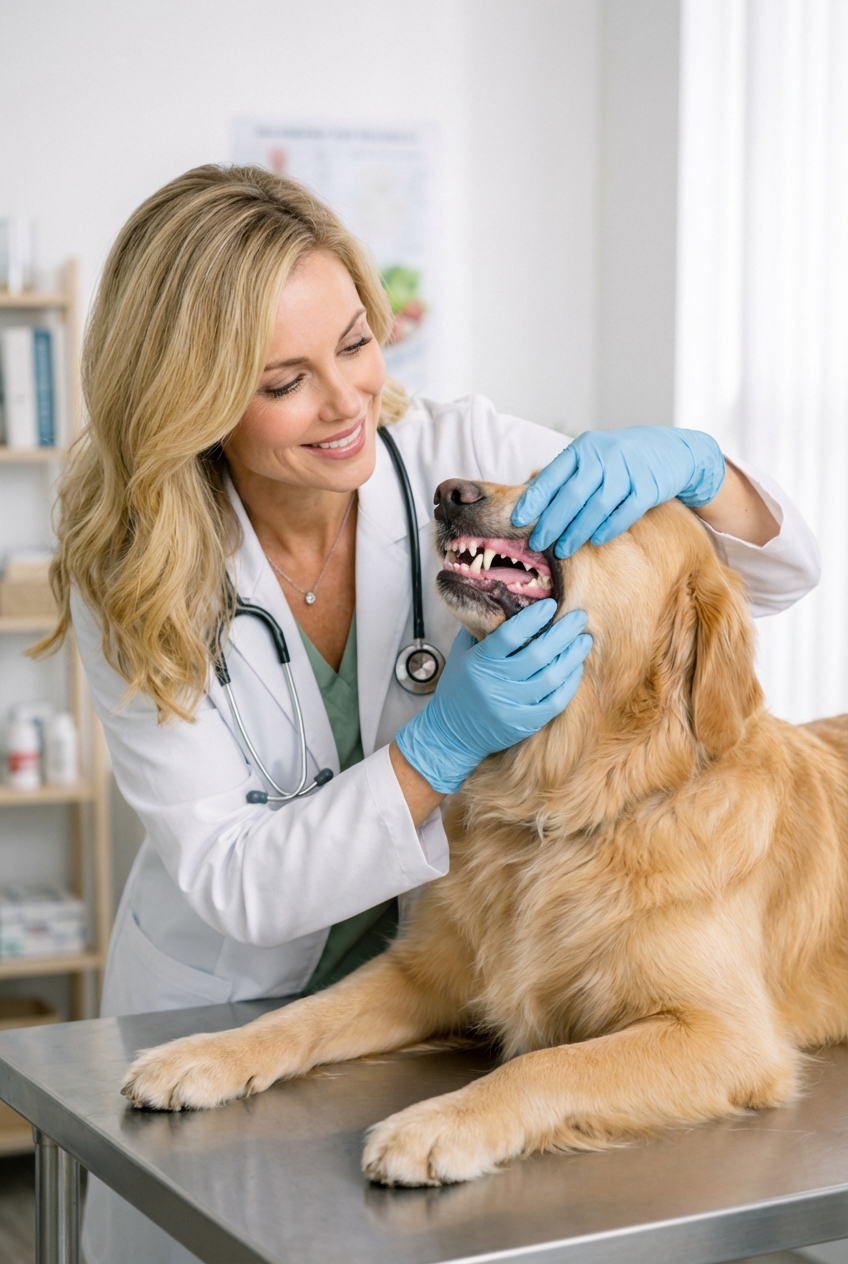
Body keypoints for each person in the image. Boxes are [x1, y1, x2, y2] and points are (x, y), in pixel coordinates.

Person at [45, 165, 819, 1264]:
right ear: (193, 395)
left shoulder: (450, 450)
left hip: (433, 994)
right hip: (227, 989)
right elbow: (234, 877)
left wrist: (698, 466)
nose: (349, 401)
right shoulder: (126, 570)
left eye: (356, 343)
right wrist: (436, 747)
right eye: (284, 379)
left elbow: (755, 580)